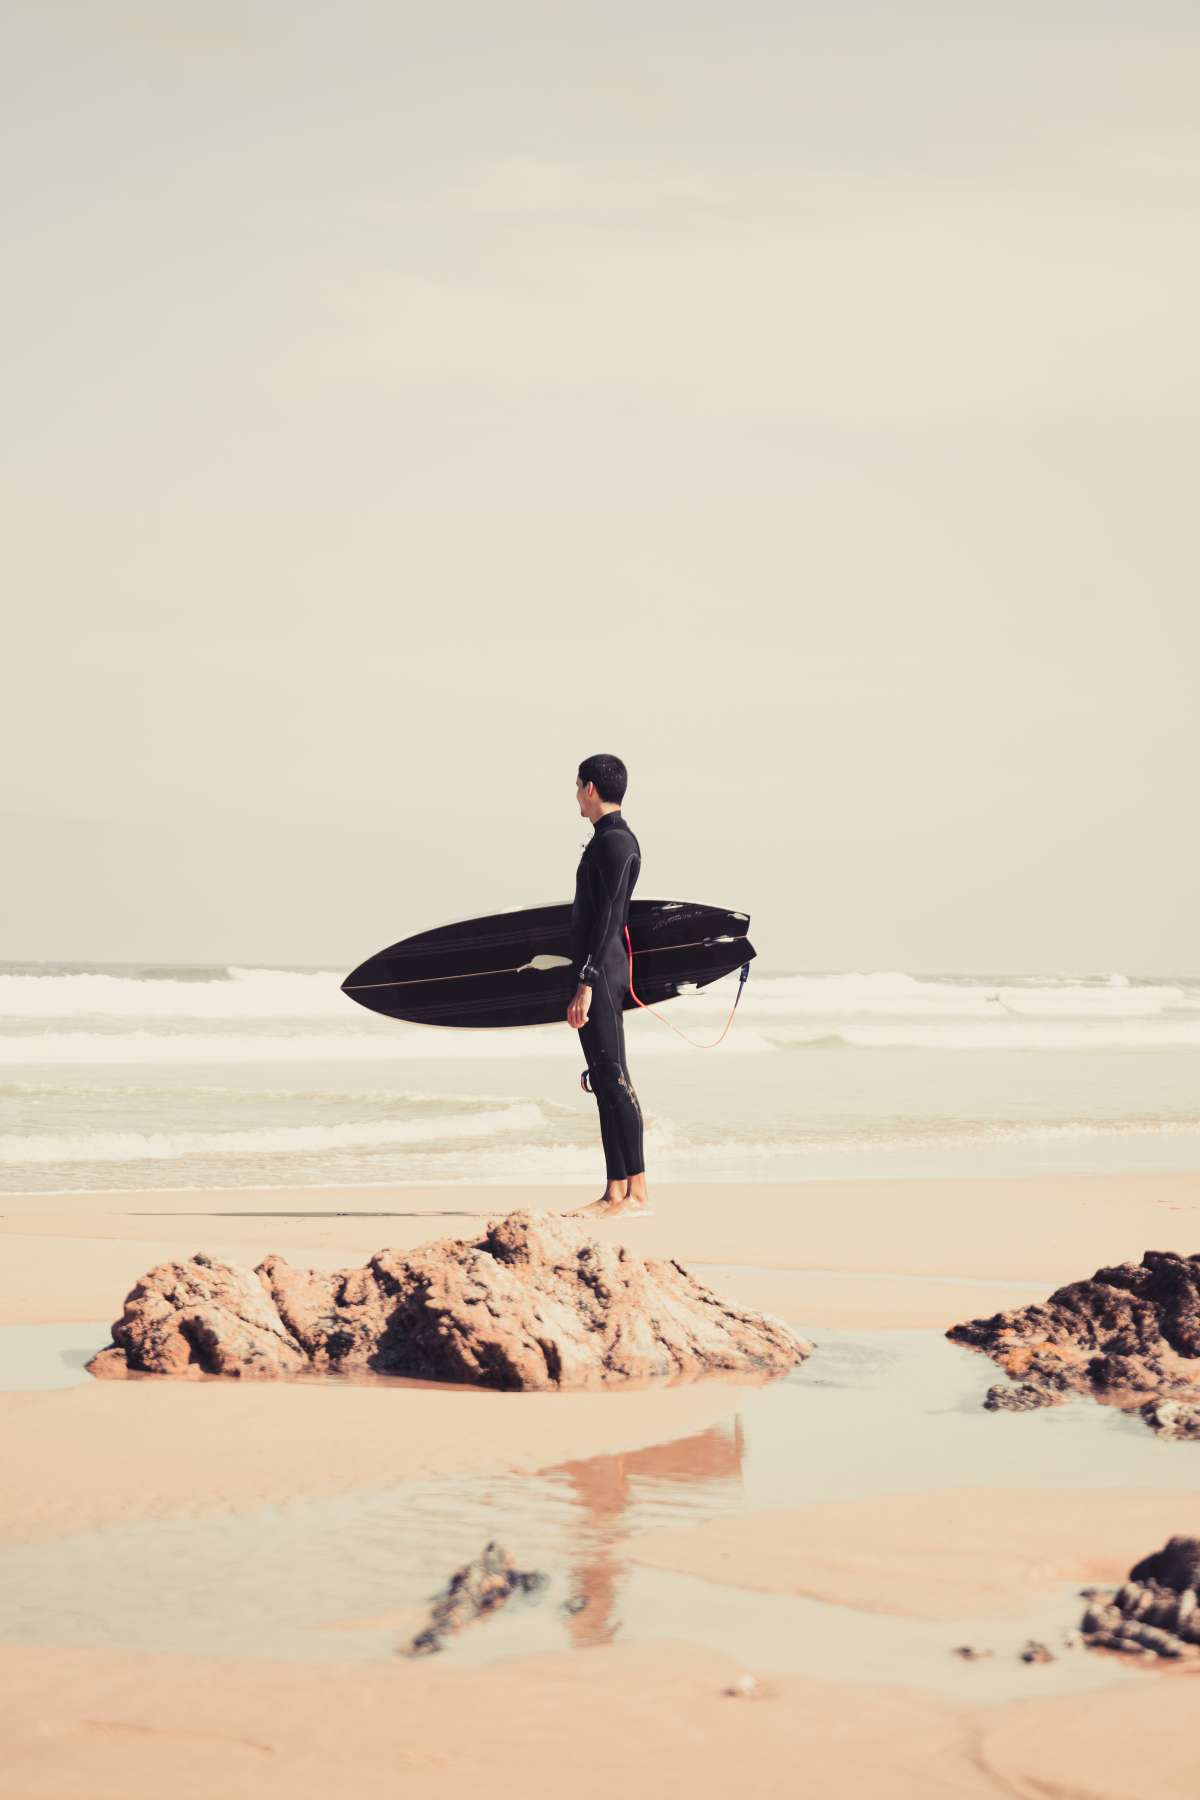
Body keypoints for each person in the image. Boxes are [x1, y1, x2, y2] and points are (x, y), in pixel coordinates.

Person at [567, 754, 649, 1217]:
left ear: (592, 788)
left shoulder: (616, 843)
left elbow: (609, 920)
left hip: (602, 972)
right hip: (593, 970)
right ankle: (614, 1191)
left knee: (615, 1079)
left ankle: (638, 1193)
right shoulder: (604, 841)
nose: (576, 795)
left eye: (578, 786)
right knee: (602, 1081)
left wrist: (587, 981)